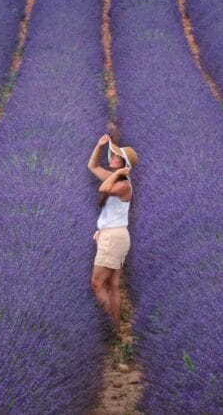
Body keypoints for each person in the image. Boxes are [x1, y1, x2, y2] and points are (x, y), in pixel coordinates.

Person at [87, 133, 138, 331]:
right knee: (113, 285)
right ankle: (116, 328)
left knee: (97, 284)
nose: (112, 158)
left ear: (124, 164)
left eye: (116, 156)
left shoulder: (124, 185)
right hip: (114, 235)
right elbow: (92, 166)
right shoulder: (116, 179)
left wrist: (118, 173)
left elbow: (103, 188)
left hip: (114, 237)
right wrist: (99, 146)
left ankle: (109, 326)